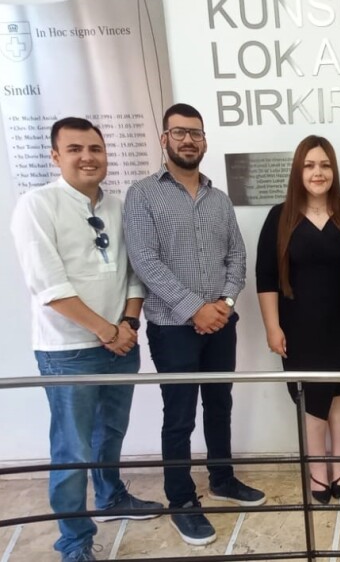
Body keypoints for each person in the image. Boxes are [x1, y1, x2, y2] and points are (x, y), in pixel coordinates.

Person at [10, 117, 163, 562]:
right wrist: (107, 330)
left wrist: (129, 326)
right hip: (67, 351)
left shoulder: (118, 206)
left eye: (95, 148)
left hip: (121, 342)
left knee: (110, 432)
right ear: (56, 156)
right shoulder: (37, 206)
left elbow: (135, 273)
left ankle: (112, 497)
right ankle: (74, 541)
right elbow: (49, 286)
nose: (87, 157)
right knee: (72, 447)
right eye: (75, 149)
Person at [123, 103, 265, 546]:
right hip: (171, 327)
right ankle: (181, 499)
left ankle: (222, 479)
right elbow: (144, 260)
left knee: (219, 404)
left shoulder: (218, 199)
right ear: (164, 139)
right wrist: (193, 308)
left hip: (221, 321)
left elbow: (237, 257)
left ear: (205, 140)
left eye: (196, 133)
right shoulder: (142, 194)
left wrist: (221, 304)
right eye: (180, 133)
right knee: (179, 415)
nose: (189, 140)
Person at [256, 135, 340, 504]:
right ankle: (318, 470)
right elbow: (266, 277)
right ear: (298, 171)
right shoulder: (280, 217)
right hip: (298, 326)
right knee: (312, 399)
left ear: (333, 170)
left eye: (324, 165)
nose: (317, 173)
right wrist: (272, 326)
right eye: (309, 165)